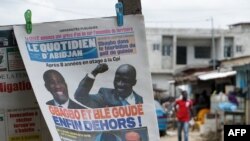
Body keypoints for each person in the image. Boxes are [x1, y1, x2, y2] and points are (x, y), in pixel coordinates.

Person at [74, 63, 143, 108]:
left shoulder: (141, 100)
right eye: (117, 79)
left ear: (134, 82)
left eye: (125, 81)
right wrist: (94, 73)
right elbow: (80, 97)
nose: (120, 84)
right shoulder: (105, 95)